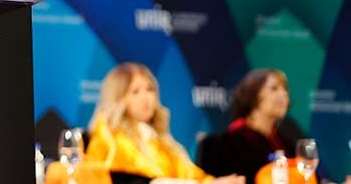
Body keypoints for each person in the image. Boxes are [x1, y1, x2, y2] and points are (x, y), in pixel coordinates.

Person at [84, 62, 244, 184]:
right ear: (118, 98)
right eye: (135, 92)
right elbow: (123, 177)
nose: (146, 98)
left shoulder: (157, 139)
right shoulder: (107, 136)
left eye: (150, 89)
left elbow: (186, 172)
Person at [197, 69, 295, 184]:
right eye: (274, 88)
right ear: (254, 95)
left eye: (285, 89)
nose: (283, 94)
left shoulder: (286, 143)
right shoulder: (231, 142)